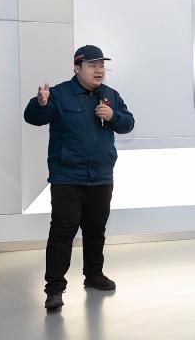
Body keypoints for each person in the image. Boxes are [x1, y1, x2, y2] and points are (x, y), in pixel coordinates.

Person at [24, 45, 135, 311]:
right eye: (92, 65)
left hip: (101, 177)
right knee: (63, 232)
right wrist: (40, 103)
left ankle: (94, 275)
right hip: (67, 177)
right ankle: (54, 289)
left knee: (96, 230)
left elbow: (128, 123)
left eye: (102, 66)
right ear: (77, 68)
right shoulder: (59, 94)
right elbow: (34, 118)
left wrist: (113, 116)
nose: (99, 71)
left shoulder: (110, 95)